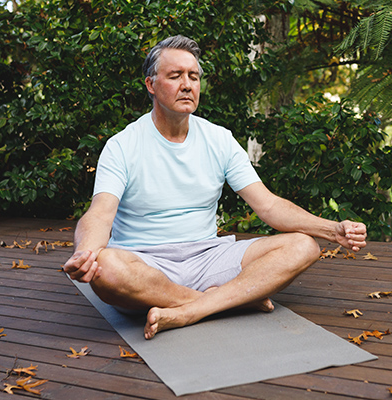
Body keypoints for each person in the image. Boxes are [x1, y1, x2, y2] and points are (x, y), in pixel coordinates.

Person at [63, 35, 367, 339]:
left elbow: (268, 205)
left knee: (303, 246)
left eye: (193, 76)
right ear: (150, 85)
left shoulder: (219, 139)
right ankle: (228, 301)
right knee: (107, 268)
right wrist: (86, 253)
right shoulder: (122, 146)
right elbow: (100, 214)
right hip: (145, 263)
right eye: (175, 75)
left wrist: (331, 229)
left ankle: (189, 310)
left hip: (208, 258)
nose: (187, 84)